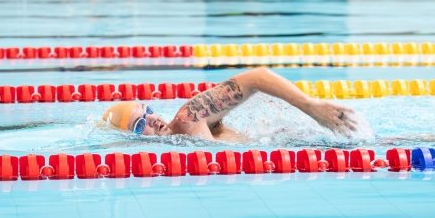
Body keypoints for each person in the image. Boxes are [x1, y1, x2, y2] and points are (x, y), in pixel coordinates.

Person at [102, 68, 357, 141]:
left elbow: (256, 77)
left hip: (310, 140)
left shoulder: (187, 118)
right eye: (139, 125)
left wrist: (310, 106)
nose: (153, 119)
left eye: (147, 111)